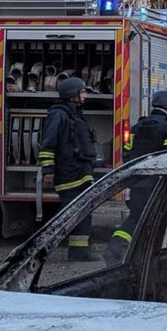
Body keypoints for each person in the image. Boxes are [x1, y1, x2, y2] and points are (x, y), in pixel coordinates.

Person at [104, 90, 167, 264]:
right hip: (159, 184)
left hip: (138, 183)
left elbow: (127, 154)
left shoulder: (138, 126)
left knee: (137, 218)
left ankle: (115, 249)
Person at [39, 77, 101, 261]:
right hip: (69, 173)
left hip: (80, 170)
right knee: (71, 213)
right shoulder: (58, 115)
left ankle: (79, 251)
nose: (85, 96)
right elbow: (48, 143)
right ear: (72, 94)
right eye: (82, 92)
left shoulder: (74, 114)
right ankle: (42, 248)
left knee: (83, 211)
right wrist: (48, 169)